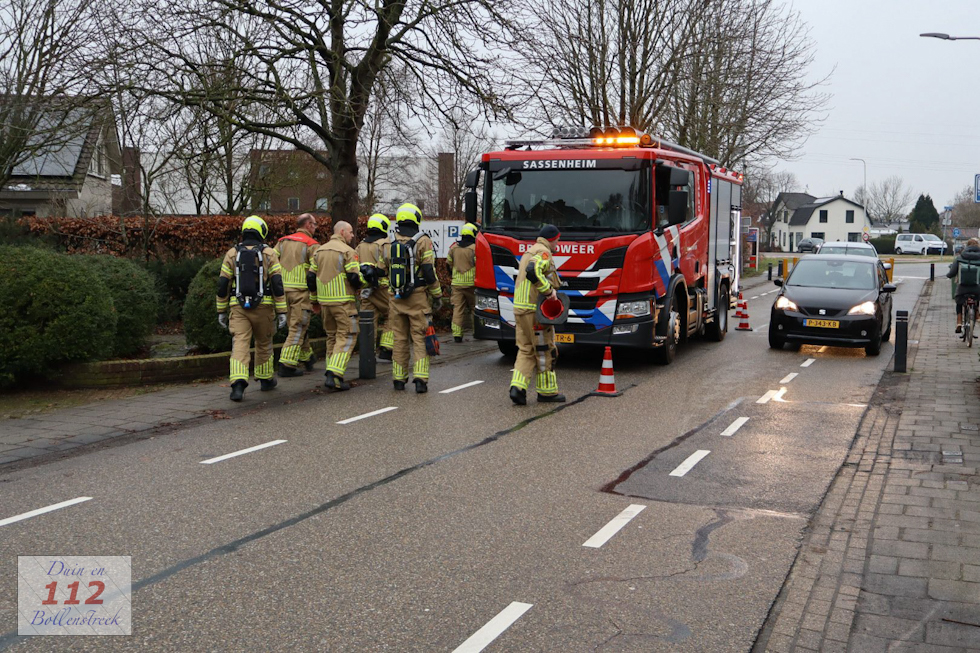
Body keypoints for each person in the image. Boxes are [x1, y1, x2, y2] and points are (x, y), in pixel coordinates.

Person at [216, 215, 287, 402]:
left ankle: (238, 383)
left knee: (240, 342)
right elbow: (277, 284)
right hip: (263, 306)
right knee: (264, 343)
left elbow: (223, 284)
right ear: (262, 231)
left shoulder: (232, 253)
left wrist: (221, 310)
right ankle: (265, 380)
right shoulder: (269, 253)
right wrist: (282, 312)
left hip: (238, 306)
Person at [388, 202, 443, 393]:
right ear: (416, 219)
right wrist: (437, 294)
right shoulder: (423, 241)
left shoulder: (391, 241)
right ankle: (420, 380)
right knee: (419, 338)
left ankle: (398, 379)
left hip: (396, 297)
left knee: (399, 339)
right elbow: (428, 270)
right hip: (418, 297)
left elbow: (382, 269)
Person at [509, 224, 565, 405]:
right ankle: (546, 392)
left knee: (526, 348)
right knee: (545, 350)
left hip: (520, 308)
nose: (558, 243)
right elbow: (533, 271)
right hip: (535, 311)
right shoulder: (543, 253)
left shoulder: (529, 251)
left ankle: (517, 388)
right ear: (552, 239)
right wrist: (549, 292)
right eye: (557, 240)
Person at [308, 221, 365, 391]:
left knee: (332, 337)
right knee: (347, 336)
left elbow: (311, 278)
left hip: (325, 303)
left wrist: (314, 300)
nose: (352, 235)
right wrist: (365, 283)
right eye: (350, 232)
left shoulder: (319, 251)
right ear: (342, 232)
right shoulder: (348, 251)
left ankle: (332, 375)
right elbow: (354, 278)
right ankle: (334, 373)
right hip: (343, 303)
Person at [275, 213, 319, 377]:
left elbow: (271, 263)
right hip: (301, 292)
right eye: (314, 225)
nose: (315, 228)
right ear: (308, 225)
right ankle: (286, 364)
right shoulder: (312, 244)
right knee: (298, 326)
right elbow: (316, 272)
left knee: (298, 326)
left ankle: (307, 357)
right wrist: (316, 296)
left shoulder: (282, 242)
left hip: (283, 292)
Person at [355, 213, 394, 360]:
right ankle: (387, 347)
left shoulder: (360, 246)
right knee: (394, 314)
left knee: (368, 321)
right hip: (383, 288)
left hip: (366, 290)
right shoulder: (385, 244)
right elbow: (392, 264)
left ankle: (367, 353)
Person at [447, 222, 478, 343]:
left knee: (457, 309)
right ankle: (477, 332)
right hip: (472, 284)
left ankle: (457, 334)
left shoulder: (454, 247)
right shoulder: (475, 248)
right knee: (474, 309)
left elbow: (448, 264)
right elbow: (479, 264)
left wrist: (453, 276)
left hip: (457, 284)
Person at [946, 237, 980, 333]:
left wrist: (949, 275)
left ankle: (959, 322)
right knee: (977, 297)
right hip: (977, 288)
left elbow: (952, 272)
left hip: (963, 287)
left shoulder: (960, 257)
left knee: (959, 302)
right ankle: (977, 314)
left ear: (967, 246)